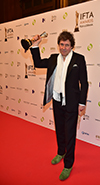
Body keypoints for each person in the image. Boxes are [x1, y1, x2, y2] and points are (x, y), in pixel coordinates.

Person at [30, 31, 88, 180]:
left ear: (72, 46)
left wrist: (82, 103)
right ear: (59, 45)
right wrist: (35, 45)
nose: (64, 48)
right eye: (61, 44)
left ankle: (68, 164)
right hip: (57, 100)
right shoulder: (53, 59)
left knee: (70, 133)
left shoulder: (79, 59)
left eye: (67, 45)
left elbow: (84, 83)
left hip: (71, 102)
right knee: (60, 130)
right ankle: (61, 152)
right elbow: (37, 63)